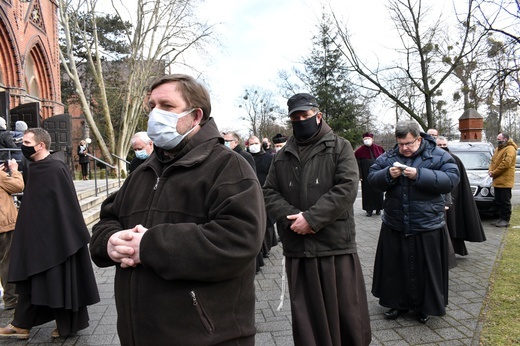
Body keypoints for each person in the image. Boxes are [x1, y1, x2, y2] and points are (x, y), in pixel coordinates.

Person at [89, 74, 266, 345]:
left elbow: (239, 239)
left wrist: (149, 246)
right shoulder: (143, 172)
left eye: (167, 106)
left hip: (208, 336)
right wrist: (109, 242)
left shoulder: (228, 167)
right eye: (151, 106)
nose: (155, 114)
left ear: (195, 116)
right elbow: (109, 218)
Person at [263, 93, 371, 345]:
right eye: (295, 117)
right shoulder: (282, 155)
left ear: (318, 115)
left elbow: (346, 187)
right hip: (298, 246)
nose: (300, 120)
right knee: (307, 316)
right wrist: (292, 220)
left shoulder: (340, 146)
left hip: (335, 245)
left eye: (305, 115)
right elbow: (269, 191)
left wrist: (311, 219)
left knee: (346, 312)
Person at [0, 128, 100, 340]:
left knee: (57, 278)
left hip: (57, 238)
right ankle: (21, 324)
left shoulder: (54, 168)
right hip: (36, 236)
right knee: (32, 278)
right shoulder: (35, 167)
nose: (22, 146)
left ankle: (65, 325)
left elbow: (64, 207)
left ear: (41, 145)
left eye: (27, 142)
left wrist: (57, 236)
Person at [367, 120, 460, 324]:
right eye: (400, 144)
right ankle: (396, 304)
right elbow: (372, 177)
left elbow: (451, 179)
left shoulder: (438, 154)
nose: (404, 148)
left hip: (426, 223)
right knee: (395, 267)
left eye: (408, 143)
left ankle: (425, 308)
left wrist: (419, 175)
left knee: (425, 269)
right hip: (395, 222)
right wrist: (388, 175)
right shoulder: (390, 156)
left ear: (418, 139)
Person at [436, 136, 486, 255]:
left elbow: (458, 181)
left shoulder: (454, 159)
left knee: (452, 225)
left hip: (452, 198)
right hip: (439, 197)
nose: (443, 147)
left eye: (444, 145)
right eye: (440, 145)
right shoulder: (432, 158)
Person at [248, 135, 277, 272]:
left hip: (266, 193)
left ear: (260, 144)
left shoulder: (268, 158)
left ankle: (267, 247)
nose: (253, 145)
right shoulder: (246, 157)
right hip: (252, 194)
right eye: (251, 143)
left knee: (268, 222)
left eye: (256, 143)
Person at [0, 159, 24, 311]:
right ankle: (11, 298)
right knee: (7, 262)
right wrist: (14, 170)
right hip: (4, 225)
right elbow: (18, 186)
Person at [489, 132, 517, 227]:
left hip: (505, 181)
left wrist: (494, 172)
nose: (497, 141)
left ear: (505, 139)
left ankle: (505, 219)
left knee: (505, 201)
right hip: (497, 180)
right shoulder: (498, 149)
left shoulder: (510, 149)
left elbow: (506, 164)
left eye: (499, 139)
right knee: (499, 201)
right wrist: (490, 170)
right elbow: (493, 161)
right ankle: (500, 218)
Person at [354, 132, 385, 216]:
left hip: (378, 174)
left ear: (372, 139)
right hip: (365, 174)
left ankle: (379, 208)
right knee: (367, 192)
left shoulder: (379, 149)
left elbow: (384, 161)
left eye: (368, 139)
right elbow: (357, 164)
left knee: (378, 191)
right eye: (365, 139)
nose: (367, 140)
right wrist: (359, 175)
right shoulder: (359, 152)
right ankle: (369, 209)